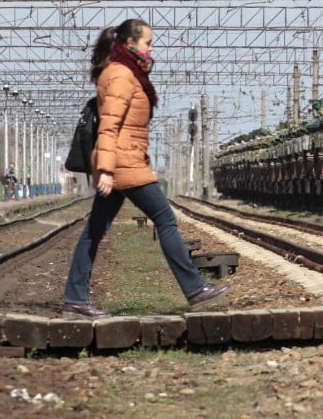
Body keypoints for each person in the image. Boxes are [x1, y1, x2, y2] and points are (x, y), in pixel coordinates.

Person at [61, 19, 230, 319]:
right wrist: (108, 170)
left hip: (124, 160)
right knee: (165, 218)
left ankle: (75, 299)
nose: (151, 49)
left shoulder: (122, 73)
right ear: (129, 44)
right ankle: (195, 289)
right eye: (148, 43)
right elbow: (110, 124)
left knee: (94, 230)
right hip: (124, 163)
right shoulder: (123, 76)